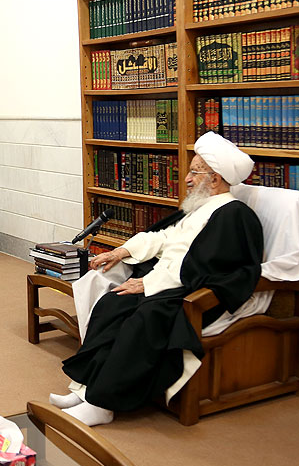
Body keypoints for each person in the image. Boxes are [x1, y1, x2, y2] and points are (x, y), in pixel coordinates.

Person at [52, 132, 264, 426]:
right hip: (165, 283)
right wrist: (124, 250)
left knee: (144, 317)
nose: (187, 179)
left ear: (215, 179)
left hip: (190, 293)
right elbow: (164, 238)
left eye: (194, 172)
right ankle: (87, 388)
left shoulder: (233, 215)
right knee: (111, 305)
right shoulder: (199, 208)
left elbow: (206, 267)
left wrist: (148, 284)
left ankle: (103, 403)